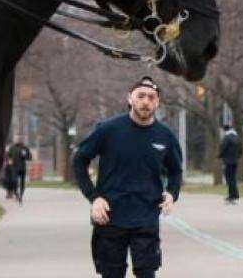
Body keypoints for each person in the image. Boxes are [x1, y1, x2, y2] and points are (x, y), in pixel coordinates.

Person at [72, 77, 183, 278]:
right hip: (110, 217)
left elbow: (176, 171)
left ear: (157, 103)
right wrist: (94, 197)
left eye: (151, 97)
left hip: (146, 217)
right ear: (130, 98)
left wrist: (171, 194)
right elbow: (79, 160)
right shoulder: (108, 130)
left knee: (146, 274)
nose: (146, 101)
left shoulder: (165, 136)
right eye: (140, 96)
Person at [218, 123, 242, 204]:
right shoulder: (237, 137)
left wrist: (219, 156)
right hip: (235, 160)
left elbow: (222, 148)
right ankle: (235, 194)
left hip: (227, 161)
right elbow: (240, 149)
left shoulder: (226, 138)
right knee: (233, 178)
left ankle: (232, 195)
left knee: (228, 178)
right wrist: (238, 156)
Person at [6, 139, 32, 203]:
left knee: (22, 182)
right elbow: (8, 156)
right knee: (14, 180)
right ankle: (16, 193)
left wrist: (25, 155)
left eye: (20, 138)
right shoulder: (12, 148)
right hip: (14, 167)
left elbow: (29, 157)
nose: (18, 140)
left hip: (22, 168)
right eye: (17, 138)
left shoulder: (25, 148)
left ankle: (21, 195)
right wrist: (9, 162)